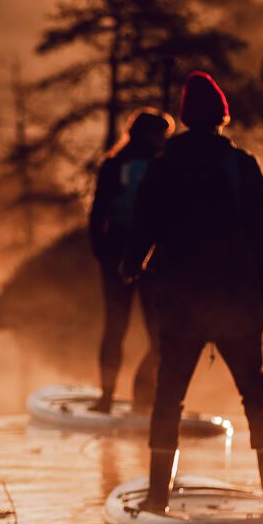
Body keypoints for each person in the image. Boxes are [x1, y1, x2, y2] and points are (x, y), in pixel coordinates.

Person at [124, 71, 263, 514]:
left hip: (180, 306)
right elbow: (262, 235)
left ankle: (157, 500)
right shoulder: (243, 165)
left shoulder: (164, 164)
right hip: (236, 304)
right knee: (256, 396)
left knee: (168, 397)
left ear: (184, 115)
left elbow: (145, 226)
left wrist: (130, 265)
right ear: (222, 116)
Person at [87, 110, 171, 413]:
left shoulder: (113, 164)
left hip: (119, 258)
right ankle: (140, 397)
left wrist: (101, 252)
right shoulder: (161, 166)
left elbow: (97, 214)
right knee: (156, 332)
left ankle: (110, 397)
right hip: (146, 260)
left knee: (116, 328)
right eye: (161, 134)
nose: (165, 140)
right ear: (149, 135)